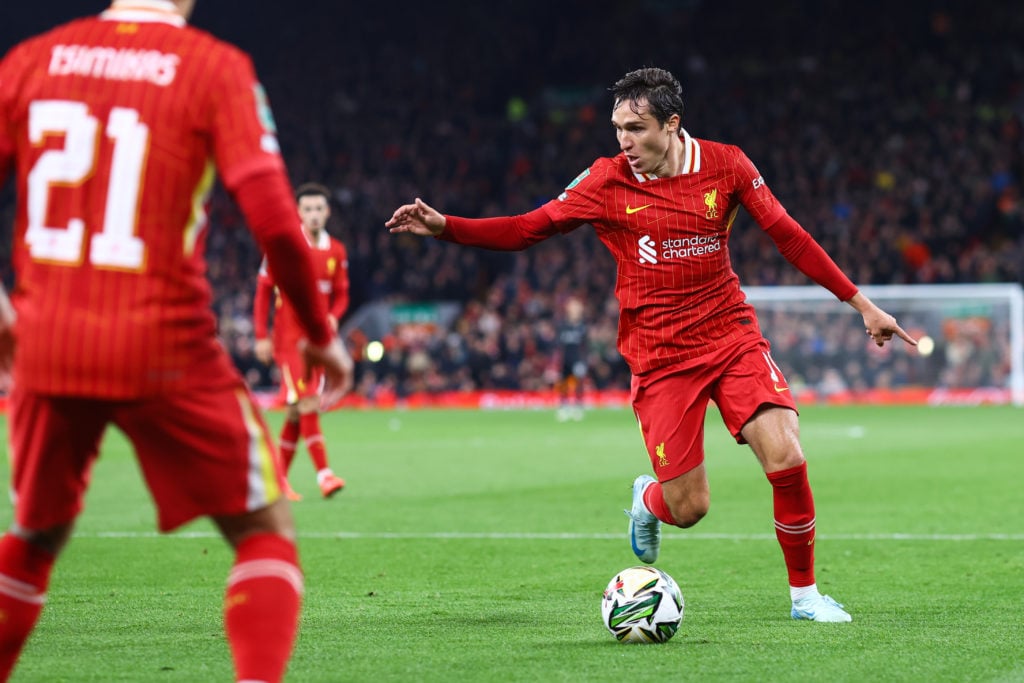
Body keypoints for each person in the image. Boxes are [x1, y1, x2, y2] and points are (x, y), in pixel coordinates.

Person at [387, 66, 917, 623]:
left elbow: (788, 234)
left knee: (786, 455)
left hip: (729, 333)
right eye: (617, 127)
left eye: (637, 128)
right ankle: (647, 500)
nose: (624, 141)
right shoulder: (604, 180)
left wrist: (860, 302)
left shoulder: (727, 164)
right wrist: (447, 226)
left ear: (672, 123)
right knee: (688, 509)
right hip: (660, 356)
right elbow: (527, 228)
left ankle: (805, 597)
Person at [0, 1, 354, 681]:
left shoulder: (32, 58)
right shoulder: (215, 68)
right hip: (161, 341)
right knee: (262, 530)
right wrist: (317, 331)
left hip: (47, 341)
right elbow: (275, 219)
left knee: (34, 537)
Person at [254, 182, 350, 499]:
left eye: (318, 208)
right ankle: (324, 475)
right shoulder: (284, 245)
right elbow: (264, 290)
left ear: (327, 212)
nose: (313, 214)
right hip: (289, 340)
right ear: (298, 212)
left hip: (318, 341)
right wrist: (260, 335)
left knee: (297, 412)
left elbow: (342, 294)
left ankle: (277, 482)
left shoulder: (336, 250)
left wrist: (334, 315)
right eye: (307, 209)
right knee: (309, 401)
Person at [554, 296, 588, 422]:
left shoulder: (582, 326)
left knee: (578, 383)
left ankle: (578, 407)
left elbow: (585, 345)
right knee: (563, 383)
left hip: (577, 359)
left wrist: (584, 361)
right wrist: (555, 361)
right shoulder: (562, 325)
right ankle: (564, 406)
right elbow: (558, 345)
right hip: (565, 359)